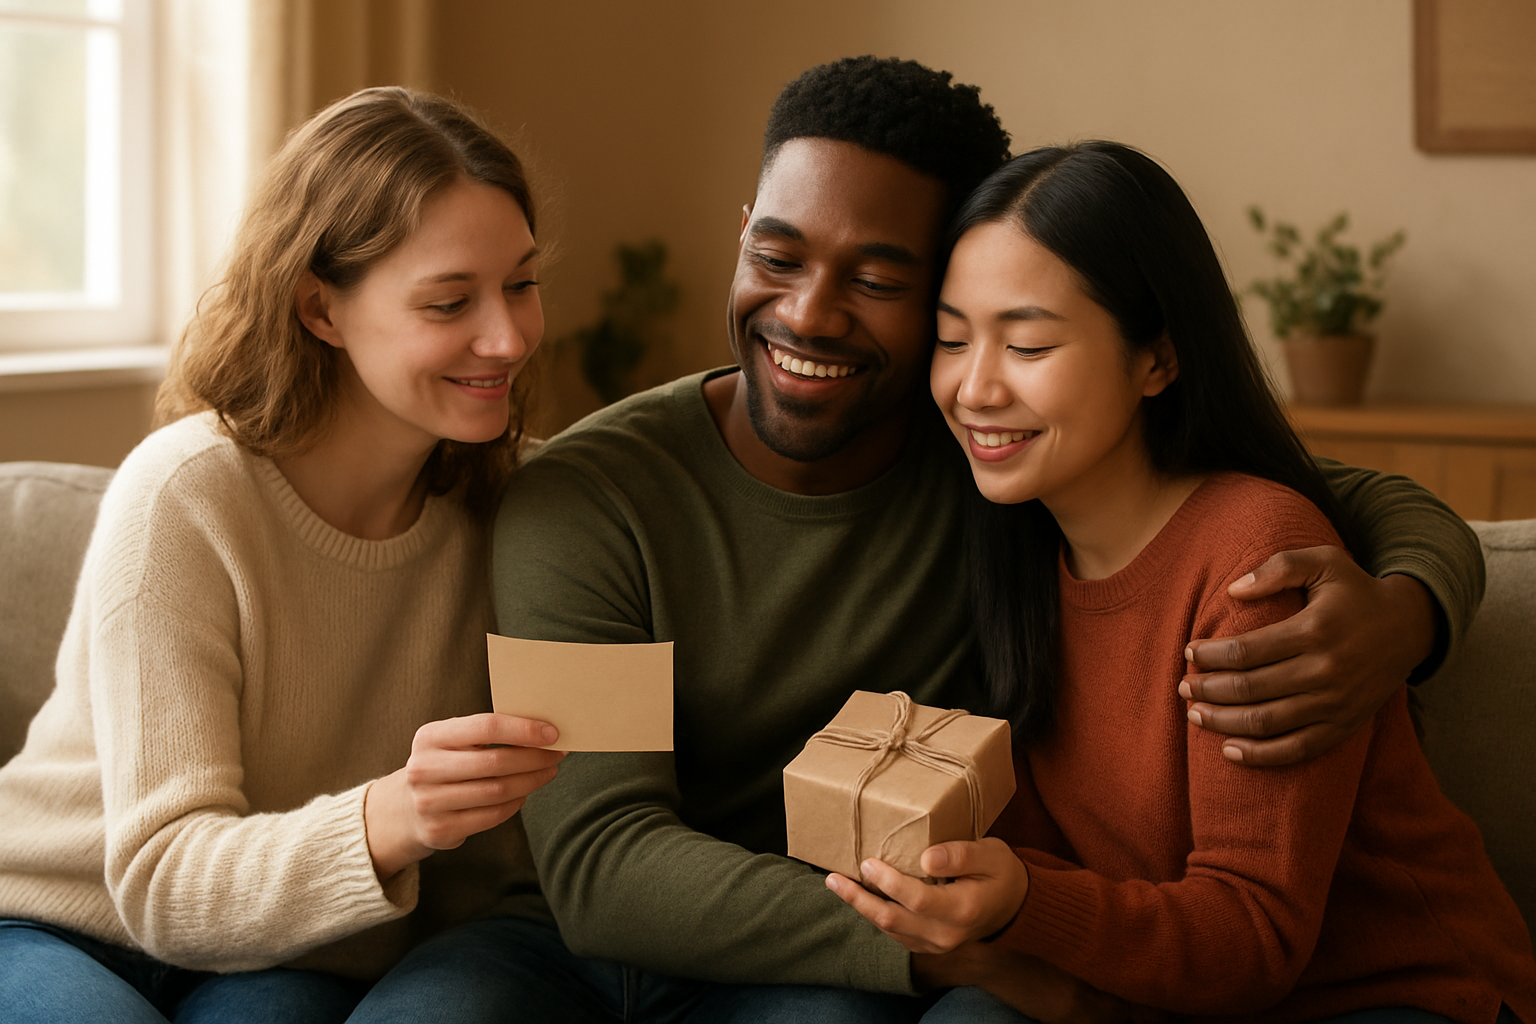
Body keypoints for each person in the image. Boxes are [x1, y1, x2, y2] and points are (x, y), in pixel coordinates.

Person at [466, 57, 1484, 1021]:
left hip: (867, 970)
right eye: (776, 257)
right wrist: (971, 941)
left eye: (878, 281)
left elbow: (1321, 497)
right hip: (620, 944)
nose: (808, 313)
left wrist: (1409, 612)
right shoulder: (591, 499)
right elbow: (605, 858)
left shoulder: (999, 463)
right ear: (743, 237)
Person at [829, 141, 1536, 1022]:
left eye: (1028, 344)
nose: (975, 388)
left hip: (1392, 994)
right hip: (1169, 989)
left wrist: (1026, 908)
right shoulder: (1017, 542)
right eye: (951, 339)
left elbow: (1256, 937)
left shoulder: (1254, 561)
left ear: (1157, 359)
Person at [0, 87, 565, 1023]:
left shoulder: (520, 508)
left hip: (292, 949)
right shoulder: (186, 496)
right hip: (61, 919)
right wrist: (394, 816)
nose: (507, 337)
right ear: (320, 308)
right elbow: (162, 881)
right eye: (449, 301)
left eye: (522, 283)